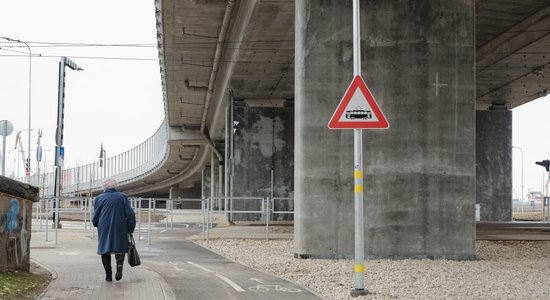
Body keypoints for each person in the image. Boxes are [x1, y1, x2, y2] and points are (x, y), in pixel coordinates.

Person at [93, 179, 135, 282]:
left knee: (105, 250)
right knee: (120, 248)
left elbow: (96, 214)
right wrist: (130, 228)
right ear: (115, 186)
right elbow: (130, 214)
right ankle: (119, 265)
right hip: (120, 225)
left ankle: (108, 275)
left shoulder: (98, 198)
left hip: (104, 226)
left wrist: (96, 223)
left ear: (104, 188)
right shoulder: (122, 197)